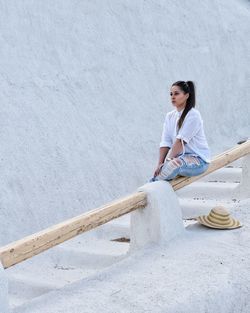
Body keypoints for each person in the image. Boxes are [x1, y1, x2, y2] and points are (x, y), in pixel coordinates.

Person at [150, 80, 210, 182]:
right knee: (165, 168)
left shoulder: (193, 115)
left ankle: (152, 185)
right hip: (180, 158)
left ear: (186, 95)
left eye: (176, 94)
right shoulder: (170, 116)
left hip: (199, 160)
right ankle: (151, 188)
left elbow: (179, 142)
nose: (173, 97)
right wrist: (160, 164)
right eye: (171, 94)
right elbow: (165, 142)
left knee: (172, 165)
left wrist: (167, 162)